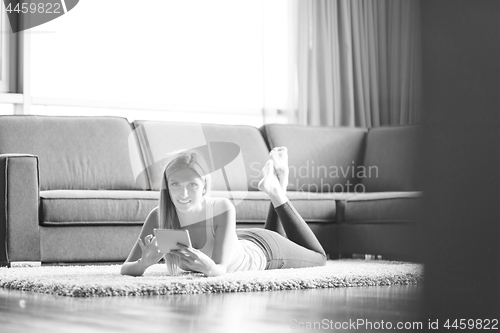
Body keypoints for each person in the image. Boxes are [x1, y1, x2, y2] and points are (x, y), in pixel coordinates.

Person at [121, 147, 326, 277]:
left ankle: (275, 190)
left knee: (319, 258)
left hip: (265, 252)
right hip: (241, 241)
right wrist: (144, 263)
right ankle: (277, 184)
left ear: (204, 186)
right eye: (175, 184)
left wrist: (208, 267)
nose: (183, 194)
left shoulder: (221, 208)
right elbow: (126, 268)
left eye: (192, 185)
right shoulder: (159, 215)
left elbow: (220, 269)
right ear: (167, 186)